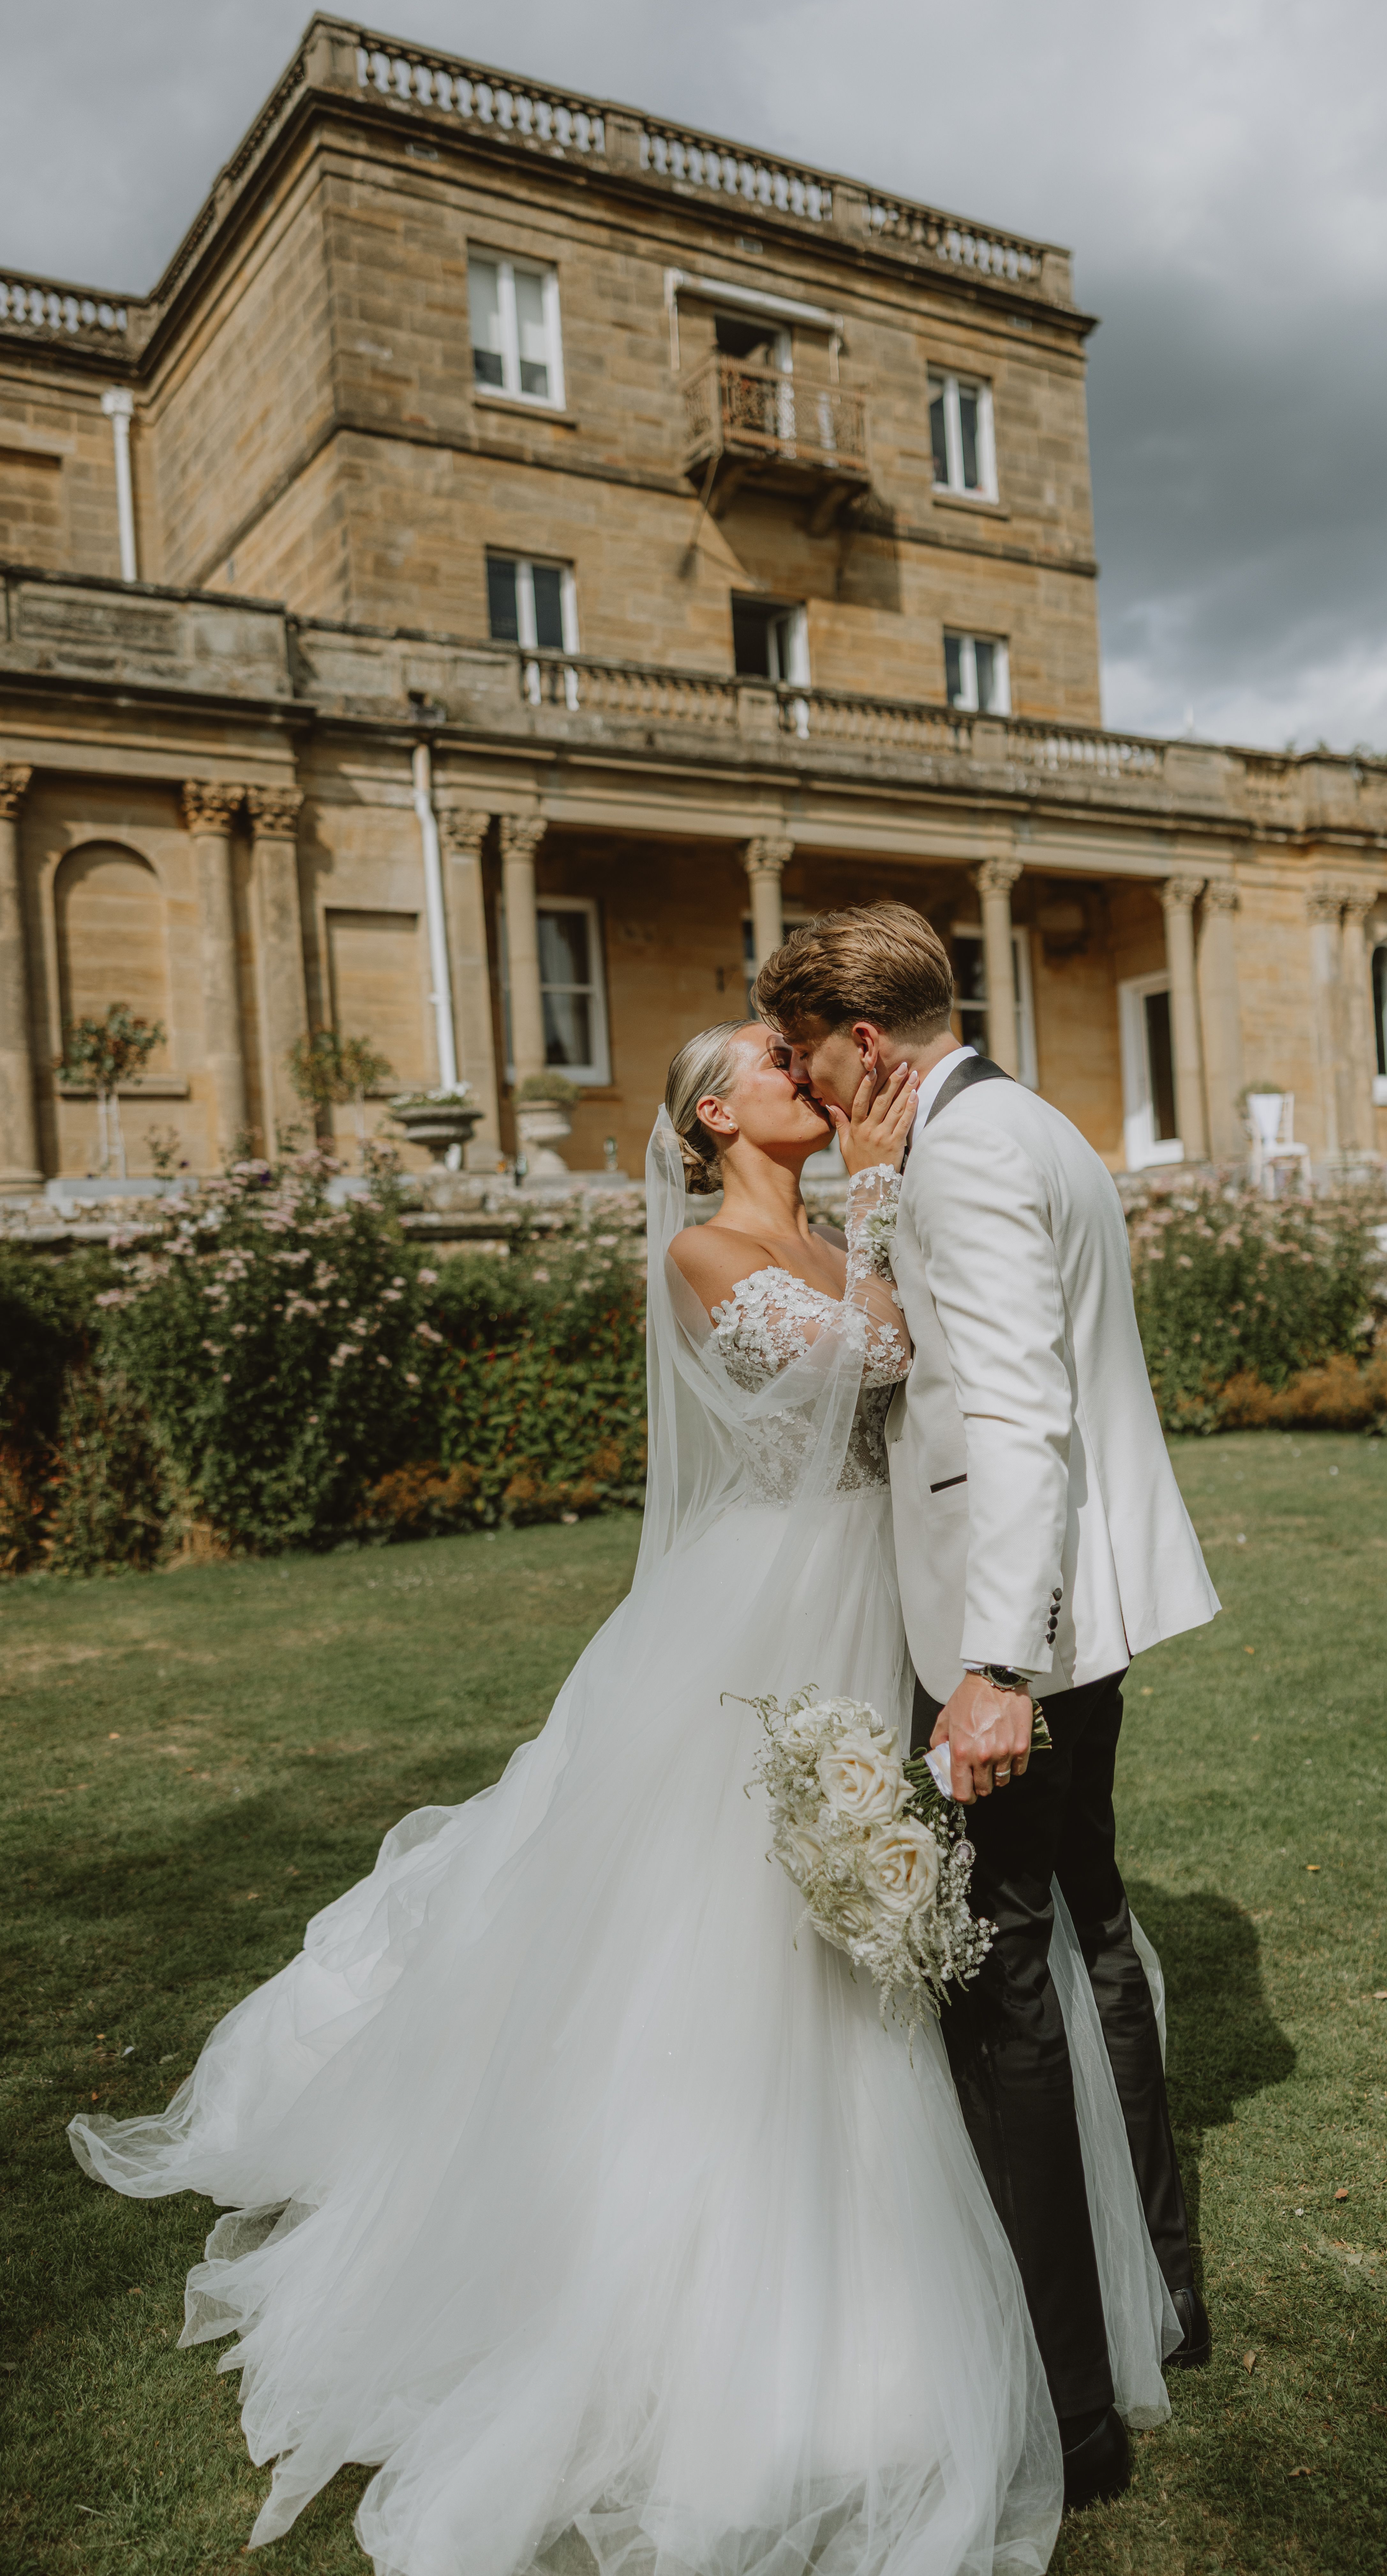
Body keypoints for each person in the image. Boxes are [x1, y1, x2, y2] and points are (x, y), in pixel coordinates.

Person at [68, 1017, 1179, 2576]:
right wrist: (877, 1202)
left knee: (946, 1923)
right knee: (746, 1929)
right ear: (717, 1113)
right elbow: (883, 1352)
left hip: (900, 1596)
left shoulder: (845, 1205)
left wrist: (880, 1209)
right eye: (772, 1062)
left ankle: (1009, 2246)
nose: (806, 1071)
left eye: (811, 1053)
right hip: (776, 1612)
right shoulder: (712, 1255)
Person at [758, 901, 1221, 2510]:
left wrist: (992, 1663)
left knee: (1001, 1982)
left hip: (1020, 1627)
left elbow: (1020, 1414)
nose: (809, 1096)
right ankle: (1164, 2287)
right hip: (1086, 1610)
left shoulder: (958, 1155)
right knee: (1095, 1940)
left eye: (811, 1065)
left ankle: (1072, 2409)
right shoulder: (1029, 1115)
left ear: (866, 1044)